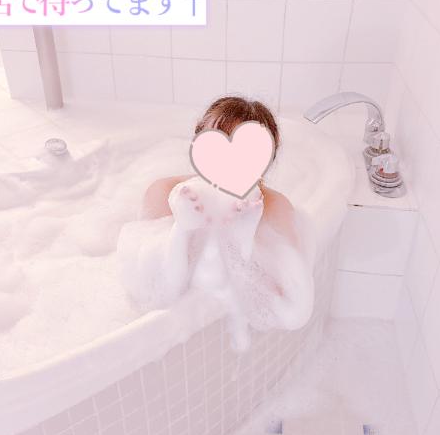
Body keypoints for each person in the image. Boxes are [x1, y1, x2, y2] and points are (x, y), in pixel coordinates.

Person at [116, 96, 314, 349]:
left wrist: (242, 248)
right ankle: (184, 231)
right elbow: (146, 286)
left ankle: (226, 240)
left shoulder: (274, 207)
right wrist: (186, 231)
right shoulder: (165, 192)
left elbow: (286, 297)